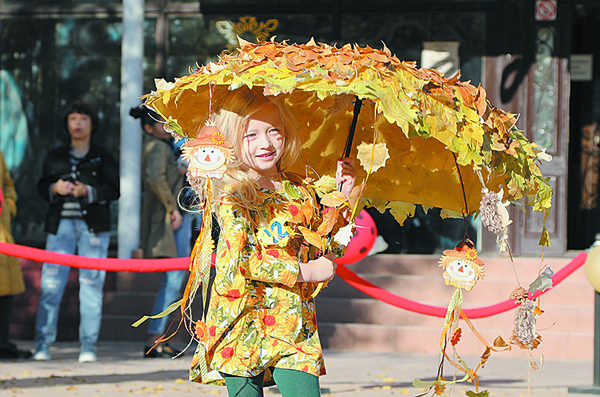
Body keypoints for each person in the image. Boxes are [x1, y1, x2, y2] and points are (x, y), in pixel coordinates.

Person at [180, 87, 357, 396]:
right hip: (241, 320)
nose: (266, 143)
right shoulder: (230, 195)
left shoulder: (299, 189)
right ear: (232, 140)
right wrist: (304, 272)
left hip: (293, 323)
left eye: (274, 131)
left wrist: (345, 198)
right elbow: (244, 259)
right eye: (251, 136)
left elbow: (324, 246)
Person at [33, 100, 120, 363]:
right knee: (51, 284)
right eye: (73, 118)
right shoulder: (55, 155)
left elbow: (114, 190)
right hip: (60, 227)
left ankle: (88, 346)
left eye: (83, 118)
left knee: (91, 285)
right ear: (67, 124)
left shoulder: (103, 156)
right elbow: (41, 186)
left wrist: (87, 192)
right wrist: (54, 188)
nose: (78, 123)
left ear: (93, 124)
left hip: (93, 227)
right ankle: (42, 345)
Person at [130, 106, 188, 358]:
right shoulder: (155, 148)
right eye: (162, 124)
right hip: (170, 220)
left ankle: (160, 339)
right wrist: (172, 208)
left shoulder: (165, 147)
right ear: (148, 128)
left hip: (175, 217)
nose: (167, 127)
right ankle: (155, 339)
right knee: (173, 280)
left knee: (174, 281)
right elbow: (156, 179)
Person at [0, 150, 32, 360]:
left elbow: (8, 185)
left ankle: (2, 344)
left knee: (5, 293)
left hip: (2, 232)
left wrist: (8, 208)